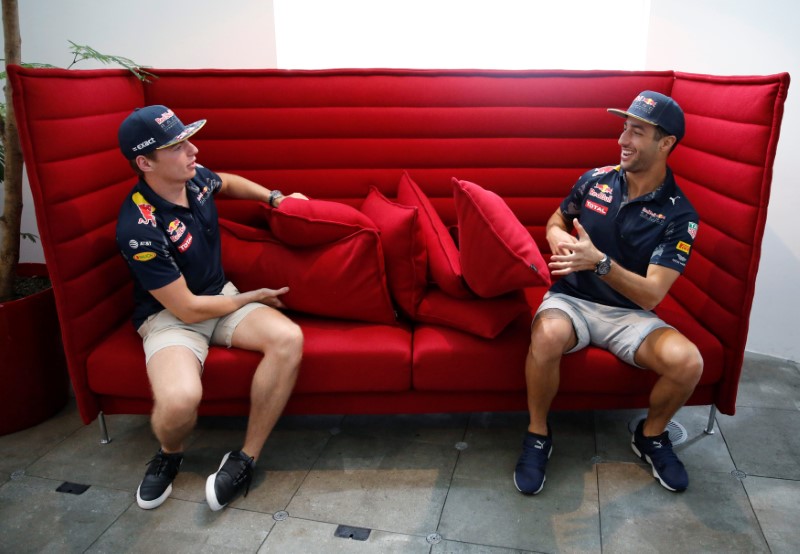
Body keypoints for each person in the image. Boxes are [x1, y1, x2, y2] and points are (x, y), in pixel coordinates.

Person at [115, 105, 307, 511]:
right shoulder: (139, 226)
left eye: (187, 139)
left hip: (220, 296)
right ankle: (170, 453)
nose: (193, 151)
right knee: (180, 399)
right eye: (177, 146)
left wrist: (274, 197)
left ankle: (245, 458)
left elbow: (227, 182)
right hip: (172, 319)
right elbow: (186, 308)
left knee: (288, 338)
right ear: (145, 162)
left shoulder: (195, 179)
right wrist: (250, 297)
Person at [514, 91, 703, 495]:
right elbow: (557, 218)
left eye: (637, 131)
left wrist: (599, 263)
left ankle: (650, 436)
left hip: (629, 314)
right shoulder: (595, 179)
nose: (623, 140)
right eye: (623, 128)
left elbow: (652, 295)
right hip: (570, 299)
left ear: (666, 142)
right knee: (546, 336)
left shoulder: (680, 214)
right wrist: (554, 237)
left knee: (688, 362)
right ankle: (537, 434)